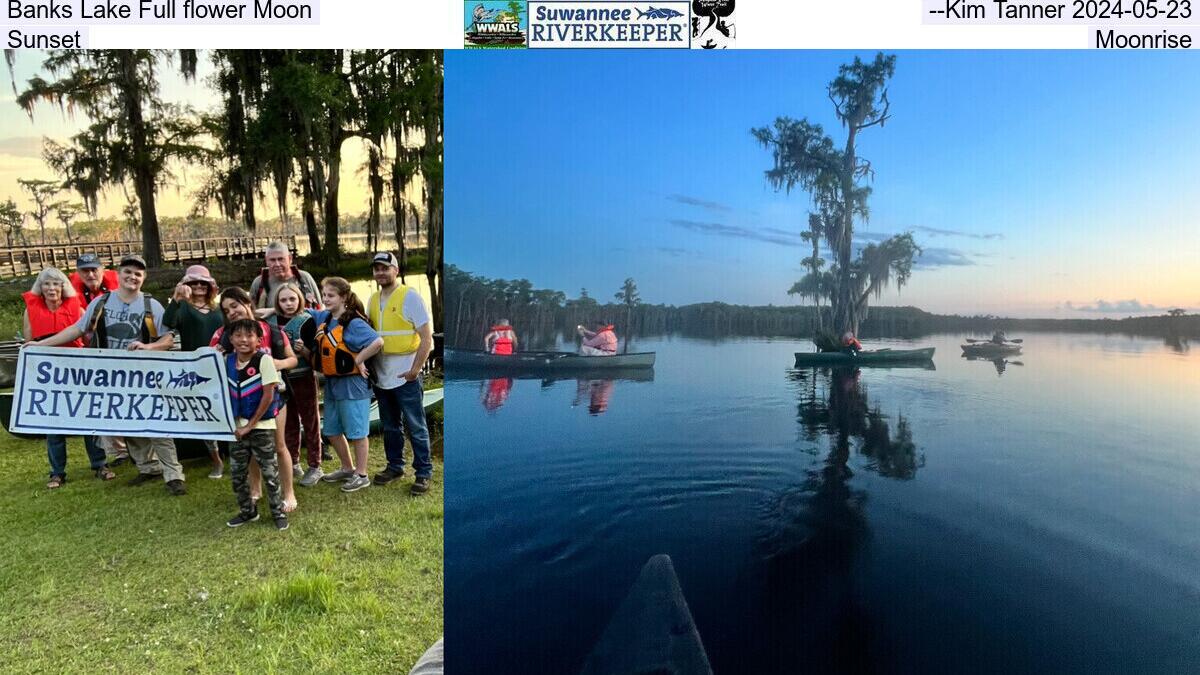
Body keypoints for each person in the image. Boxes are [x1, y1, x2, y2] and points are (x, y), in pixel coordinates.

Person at [33, 254, 186, 496]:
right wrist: (41, 345)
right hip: (112, 379)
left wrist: (149, 347)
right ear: (118, 273)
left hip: (144, 376)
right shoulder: (102, 303)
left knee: (158, 426)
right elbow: (77, 329)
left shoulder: (151, 305)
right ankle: (148, 468)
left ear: (143, 278)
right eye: (128, 272)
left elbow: (169, 338)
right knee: (128, 422)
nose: (132, 277)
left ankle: (174, 476)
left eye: (138, 274)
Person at [22, 267, 116, 489]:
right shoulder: (30, 310)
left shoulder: (78, 308)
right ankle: (57, 472)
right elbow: (28, 342)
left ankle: (100, 464)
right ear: (40, 288)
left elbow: (90, 336)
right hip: (49, 374)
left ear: (63, 287)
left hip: (76, 371)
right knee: (53, 423)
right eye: (47, 284)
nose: (52, 288)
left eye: (56, 284)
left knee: (87, 418)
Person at [212, 287, 299, 512]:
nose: (231, 312)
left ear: (247, 303)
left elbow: (292, 360)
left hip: (274, 396)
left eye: (235, 305)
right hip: (242, 400)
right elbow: (209, 361)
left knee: (279, 445)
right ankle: (255, 489)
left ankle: (288, 493)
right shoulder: (224, 334)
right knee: (248, 444)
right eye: (226, 309)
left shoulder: (271, 329)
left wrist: (273, 364)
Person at [365, 252, 434, 494]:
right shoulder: (372, 300)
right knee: (390, 426)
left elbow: (427, 339)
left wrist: (415, 370)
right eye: (376, 269)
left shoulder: (410, 297)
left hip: (406, 376)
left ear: (396, 270)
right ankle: (395, 466)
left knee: (416, 426)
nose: (380, 273)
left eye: (385, 268)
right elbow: (368, 336)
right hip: (382, 377)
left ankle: (423, 472)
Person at [312, 276, 384, 493]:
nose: (326, 299)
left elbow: (377, 342)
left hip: (353, 386)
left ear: (343, 297)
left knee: (357, 432)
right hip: (333, 385)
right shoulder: (326, 318)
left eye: (330, 295)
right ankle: (347, 467)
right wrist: (270, 311)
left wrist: (358, 360)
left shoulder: (353, 322)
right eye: (324, 295)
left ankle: (361, 475)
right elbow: (304, 311)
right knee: (332, 430)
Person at [224, 319, 288, 531]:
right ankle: (247, 512)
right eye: (238, 335)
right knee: (237, 474)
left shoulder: (264, 360)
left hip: (261, 427)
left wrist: (250, 426)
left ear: (259, 340)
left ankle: (277, 512)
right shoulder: (227, 361)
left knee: (270, 473)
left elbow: (268, 396)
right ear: (231, 339)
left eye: (249, 336)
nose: (244, 340)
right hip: (236, 428)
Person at [163, 264, 225, 478]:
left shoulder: (220, 309)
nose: (198, 286)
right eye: (193, 282)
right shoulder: (183, 308)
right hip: (196, 368)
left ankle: (236, 454)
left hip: (222, 365)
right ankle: (216, 460)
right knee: (204, 413)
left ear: (211, 286)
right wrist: (177, 297)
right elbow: (168, 322)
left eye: (203, 282)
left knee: (227, 410)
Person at [67, 252, 124, 464]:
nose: (90, 274)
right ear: (78, 273)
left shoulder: (118, 290)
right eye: (85, 270)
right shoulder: (71, 296)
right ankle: (118, 451)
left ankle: (136, 449)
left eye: (94, 269)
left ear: (102, 270)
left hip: (118, 352)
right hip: (91, 355)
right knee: (101, 403)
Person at [270, 283, 324, 487]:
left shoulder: (306, 321)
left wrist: (303, 352)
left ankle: (315, 465)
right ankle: (292, 462)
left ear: (299, 299)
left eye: (292, 299)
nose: (288, 303)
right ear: (278, 302)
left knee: (311, 421)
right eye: (283, 300)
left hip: (303, 377)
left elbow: (315, 360)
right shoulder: (272, 322)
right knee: (288, 422)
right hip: (283, 379)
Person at [248, 241, 322, 315]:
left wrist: (274, 310)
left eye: (281, 259)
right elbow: (251, 313)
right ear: (266, 261)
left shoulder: (304, 278)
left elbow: (319, 310)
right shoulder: (259, 282)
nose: (277, 264)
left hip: (303, 324)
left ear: (290, 259)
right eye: (272, 260)